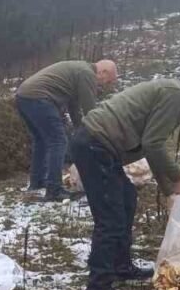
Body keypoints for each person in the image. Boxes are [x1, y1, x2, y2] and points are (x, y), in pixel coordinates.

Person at [71, 65, 180, 290]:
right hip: (95, 144)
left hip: (101, 145)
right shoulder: (176, 95)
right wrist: (177, 179)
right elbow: (154, 144)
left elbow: (152, 144)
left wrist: (168, 189)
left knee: (127, 198)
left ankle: (121, 266)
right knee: (111, 219)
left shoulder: (175, 93)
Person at [15, 60, 118, 201]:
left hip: (24, 96)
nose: (103, 85)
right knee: (58, 141)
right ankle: (54, 190)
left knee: (41, 141)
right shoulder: (87, 74)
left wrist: (79, 129)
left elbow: (73, 106)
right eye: (107, 81)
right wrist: (96, 135)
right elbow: (90, 110)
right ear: (103, 72)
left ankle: (37, 181)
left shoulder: (78, 70)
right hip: (39, 98)